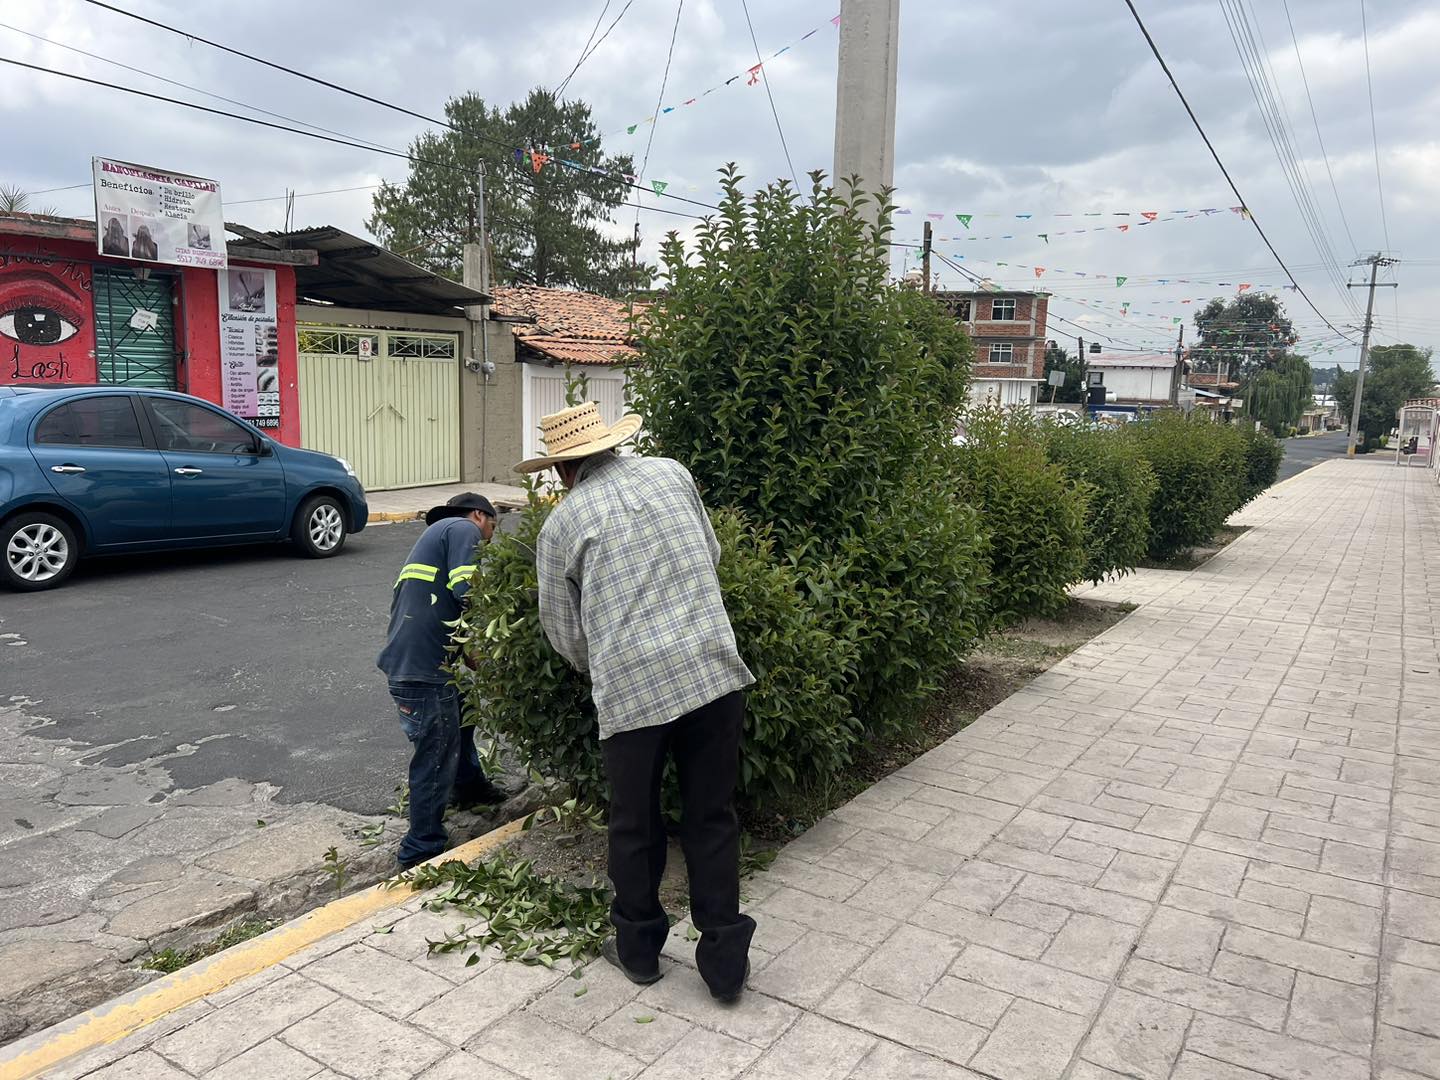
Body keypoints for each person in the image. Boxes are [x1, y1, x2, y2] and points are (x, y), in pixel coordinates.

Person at [518, 403, 756, 1003]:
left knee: (635, 824)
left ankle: (640, 952)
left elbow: (564, 630)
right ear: (611, 445)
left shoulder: (562, 525)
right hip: (711, 670)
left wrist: (598, 663)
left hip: (631, 692)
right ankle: (725, 964)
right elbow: (713, 554)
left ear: (561, 471)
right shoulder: (672, 472)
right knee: (711, 817)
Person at [377, 492, 508, 870]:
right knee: (435, 753)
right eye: (493, 529)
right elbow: (468, 591)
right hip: (423, 672)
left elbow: (449, 612)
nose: (489, 540)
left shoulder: (435, 542)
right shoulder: (464, 527)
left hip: (417, 664)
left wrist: (475, 657)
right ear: (481, 516)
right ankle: (421, 847)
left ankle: (468, 787)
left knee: (462, 712)